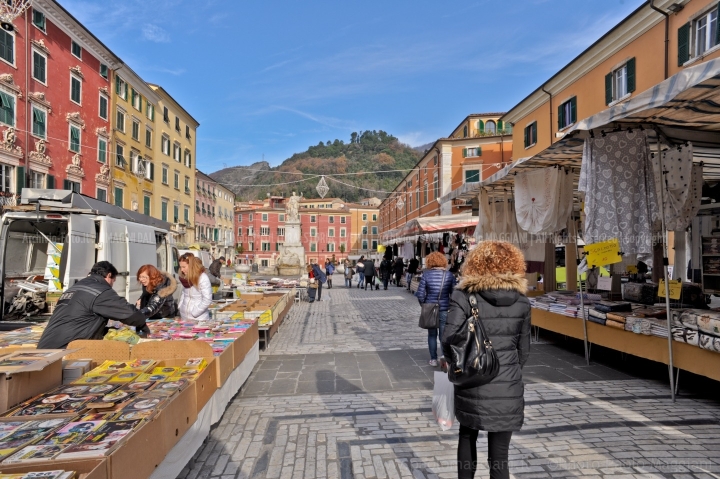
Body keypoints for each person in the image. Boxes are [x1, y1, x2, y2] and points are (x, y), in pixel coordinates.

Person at [442, 241, 531, 479]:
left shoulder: (463, 295)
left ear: (476, 263)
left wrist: (459, 365)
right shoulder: (522, 301)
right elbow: (524, 351)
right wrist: (507, 370)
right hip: (508, 383)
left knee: (467, 435)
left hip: (472, 379)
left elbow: (448, 337)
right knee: (500, 455)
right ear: (514, 264)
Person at [37, 261, 149, 349]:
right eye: (113, 281)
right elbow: (130, 314)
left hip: (46, 347)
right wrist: (142, 325)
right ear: (109, 275)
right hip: (65, 351)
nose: (111, 286)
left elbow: (81, 320)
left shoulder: (75, 288)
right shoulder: (100, 291)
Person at [415, 252, 456, 367]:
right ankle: (444, 359)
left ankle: (433, 359)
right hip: (444, 309)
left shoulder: (426, 275)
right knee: (443, 335)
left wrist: (424, 305)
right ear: (443, 261)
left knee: (431, 335)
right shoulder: (449, 275)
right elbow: (454, 294)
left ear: (429, 262)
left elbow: (420, 294)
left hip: (430, 309)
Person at [177, 254, 213, 321]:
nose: (181, 270)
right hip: (184, 317)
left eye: (184, 267)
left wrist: (195, 313)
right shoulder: (185, 277)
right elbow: (184, 293)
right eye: (180, 267)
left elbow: (207, 299)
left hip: (198, 318)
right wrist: (181, 306)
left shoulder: (202, 278)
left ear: (191, 266)